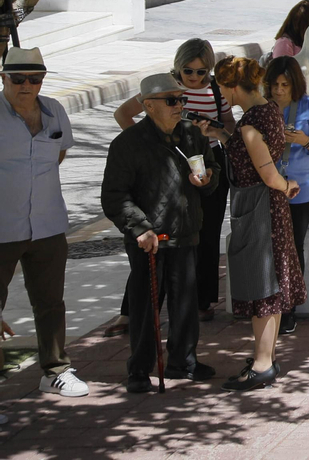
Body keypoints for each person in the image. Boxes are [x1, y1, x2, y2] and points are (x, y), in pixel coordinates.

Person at [102, 72, 219, 391]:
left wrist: (207, 179)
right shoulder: (127, 143)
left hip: (185, 232)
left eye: (181, 99)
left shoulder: (192, 135)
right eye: (171, 100)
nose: (179, 105)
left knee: (185, 303)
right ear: (148, 105)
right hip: (148, 240)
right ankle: (139, 369)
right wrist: (140, 228)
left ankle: (183, 361)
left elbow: (211, 170)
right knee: (144, 307)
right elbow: (114, 196)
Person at [112, 38, 234, 324]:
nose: (193, 77)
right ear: (178, 68)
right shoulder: (164, 86)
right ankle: (133, 310)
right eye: (187, 71)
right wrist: (149, 143)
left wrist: (218, 134)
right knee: (158, 237)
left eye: (201, 72)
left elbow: (228, 122)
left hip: (208, 166)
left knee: (206, 235)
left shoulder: (217, 90)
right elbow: (123, 113)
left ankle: (201, 301)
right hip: (166, 168)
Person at [213, 56, 306, 389]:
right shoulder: (269, 110)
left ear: (233, 87)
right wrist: (221, 134)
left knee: (262, 286)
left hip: (259, 208)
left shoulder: (251, 124)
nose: (222, 94)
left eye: (222, 88)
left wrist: (286, 184)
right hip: (268, 207)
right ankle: (266, 357)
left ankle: (263, 363)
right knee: (271, 284)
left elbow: (267, 174)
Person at [0, 47, 88, 397]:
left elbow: (59, 154)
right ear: (4, 78)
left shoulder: (55, 111)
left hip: (48, 224)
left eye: (34, 79)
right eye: (18, 78)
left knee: (51, 303)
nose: (26, 85)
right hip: (2, 227)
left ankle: (56, 371)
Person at [265, 55, 309, 335]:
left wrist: (304, 140)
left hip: (302, 187)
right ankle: (269, 302)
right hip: (269, 186)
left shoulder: (308, 106)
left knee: (293, 245)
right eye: (275, 85)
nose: (279, 90)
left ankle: (289, 306)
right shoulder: (263, 108)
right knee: (270, 246)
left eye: (285, 85)